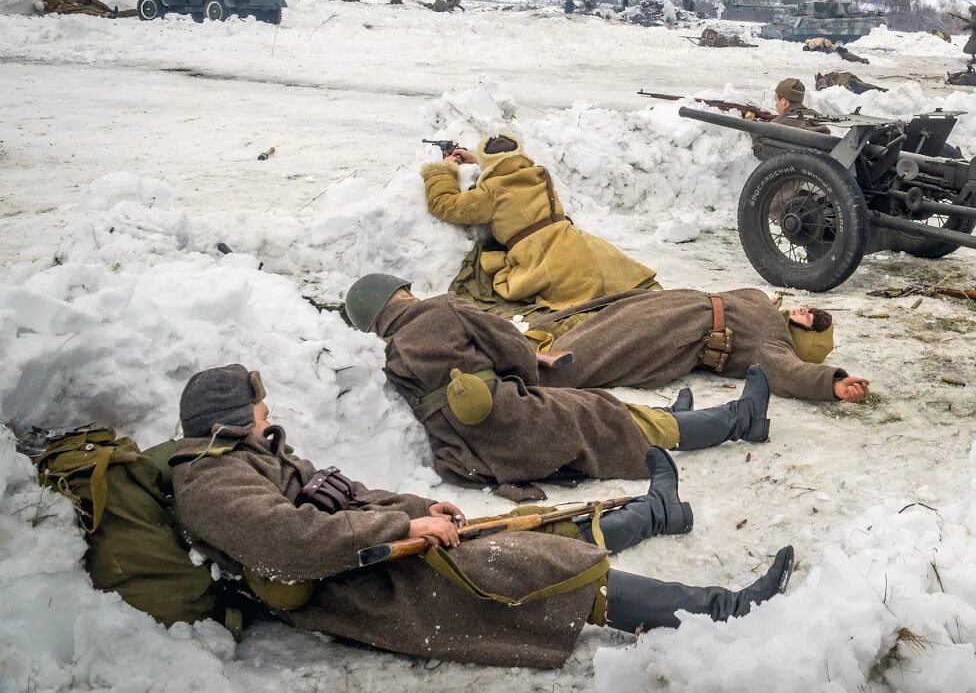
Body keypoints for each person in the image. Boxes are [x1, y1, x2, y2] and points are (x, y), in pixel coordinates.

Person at [169, 365, 793, 668]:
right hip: (362, 585)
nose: (267, 407)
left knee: (525, 542)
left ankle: (660, 520)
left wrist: (416, 509)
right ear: (231, 416)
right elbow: (291, 542)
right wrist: (404, 529)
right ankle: (722, 610)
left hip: (376, 557)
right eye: (257, 402)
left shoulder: (248, 453)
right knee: (535, 569)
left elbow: (343, 494)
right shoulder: (212, 480)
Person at [345, 275, 776, 497]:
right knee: (603, 414)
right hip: (511, 423)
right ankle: (738, 421)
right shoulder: (443, 310)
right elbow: (509, 344)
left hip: (468, 458)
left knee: (583, 413)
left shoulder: (393, 356)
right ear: (400, 295)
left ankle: (677, 416)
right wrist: (528, 382)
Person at [422, 132, 657, 311]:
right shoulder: (538, 173)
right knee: (632, 292)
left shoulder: (492, 191)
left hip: (543, 257)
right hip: (580, 243)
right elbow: (507, 168)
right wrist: (480, 162)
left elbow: (444, 205)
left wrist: (443, 170)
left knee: (580, 304)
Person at [518, 287, 870, 403]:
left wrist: (832, 383)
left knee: (595, 353)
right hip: (676, 303)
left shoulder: (773, 343)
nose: (806, 311)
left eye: (813, 320)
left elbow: (790, 373)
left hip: (679, 329)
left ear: (804, 336)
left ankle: (516, 377)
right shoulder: (762, 300)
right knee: (595, 320)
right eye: (813, 311)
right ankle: (517, 349)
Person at [751, 77, 832, 162]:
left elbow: (759, 139)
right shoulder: (814, 114)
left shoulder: (783, 121)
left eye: (776, 101)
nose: (775, 105)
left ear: (784, 102)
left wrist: (751, 121)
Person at [952, 4, 976, 69]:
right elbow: (972, 21)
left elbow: (972, 24)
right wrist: (963, 19)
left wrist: (963, 28)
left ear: (972, 11)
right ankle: (974, 59)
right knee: (971, 46)